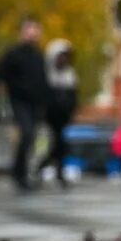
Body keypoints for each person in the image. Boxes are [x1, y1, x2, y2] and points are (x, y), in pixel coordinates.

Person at [0, 18, 46, 191]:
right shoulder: (13, 54)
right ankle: (19, 173)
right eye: (30, 30)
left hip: (34, 103)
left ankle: (21, 171)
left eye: (36, 30)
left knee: (31, 138)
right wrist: (1, 98)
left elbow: (43, 81)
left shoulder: (38, 56)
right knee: (26, 133)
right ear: (23, 33)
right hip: (19, 101)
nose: (33, 34)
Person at [37, 39, 78, 185]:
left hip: (63, 117)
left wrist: (70, 111)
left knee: (60, 145)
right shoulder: (47, 75)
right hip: (49, 117)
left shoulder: (70, 75)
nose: (64, 59)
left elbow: (73, 98)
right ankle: (43, 165)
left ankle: (57, 169)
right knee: (49, 144)